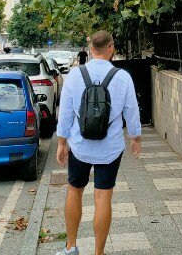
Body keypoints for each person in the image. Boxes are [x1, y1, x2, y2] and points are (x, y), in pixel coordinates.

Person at [55, 30, 141, 255]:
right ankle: (99, 253)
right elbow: (131, 111)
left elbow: (64, 112)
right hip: (110, 148)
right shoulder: (122, 77)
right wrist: (135, 138)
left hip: (80, 146)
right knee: (103, 196)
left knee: (75, 190)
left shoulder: (74, 75)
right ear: (111, 47)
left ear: (90, 49)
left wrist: (62, 142)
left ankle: (71, 246)